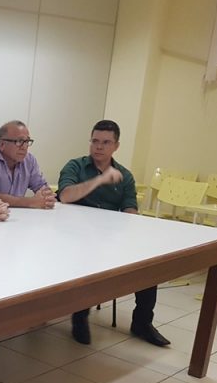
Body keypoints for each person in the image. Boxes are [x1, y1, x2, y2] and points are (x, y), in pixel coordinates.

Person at [58, 119, 170, 347]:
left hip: (108, 235)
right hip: (73, 235)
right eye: (95, 141)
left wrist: (129, 234)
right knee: (89, 255)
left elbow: (130, 211)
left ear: (116, 146)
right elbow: (65, 196)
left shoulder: (124, 175)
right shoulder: (75, 166)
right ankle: (80, 315)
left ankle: (142, 322)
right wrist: (99, 180)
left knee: (148, 262)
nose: (98, 147)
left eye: (106, 142)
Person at [0, 120, 55, 208]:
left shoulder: (29, 160)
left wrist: (47, 197)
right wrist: (30, 202)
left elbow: (41, 187)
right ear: (2, 145)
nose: (24, 147)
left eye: (27, 141)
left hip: (20, 215)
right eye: (19, 141)